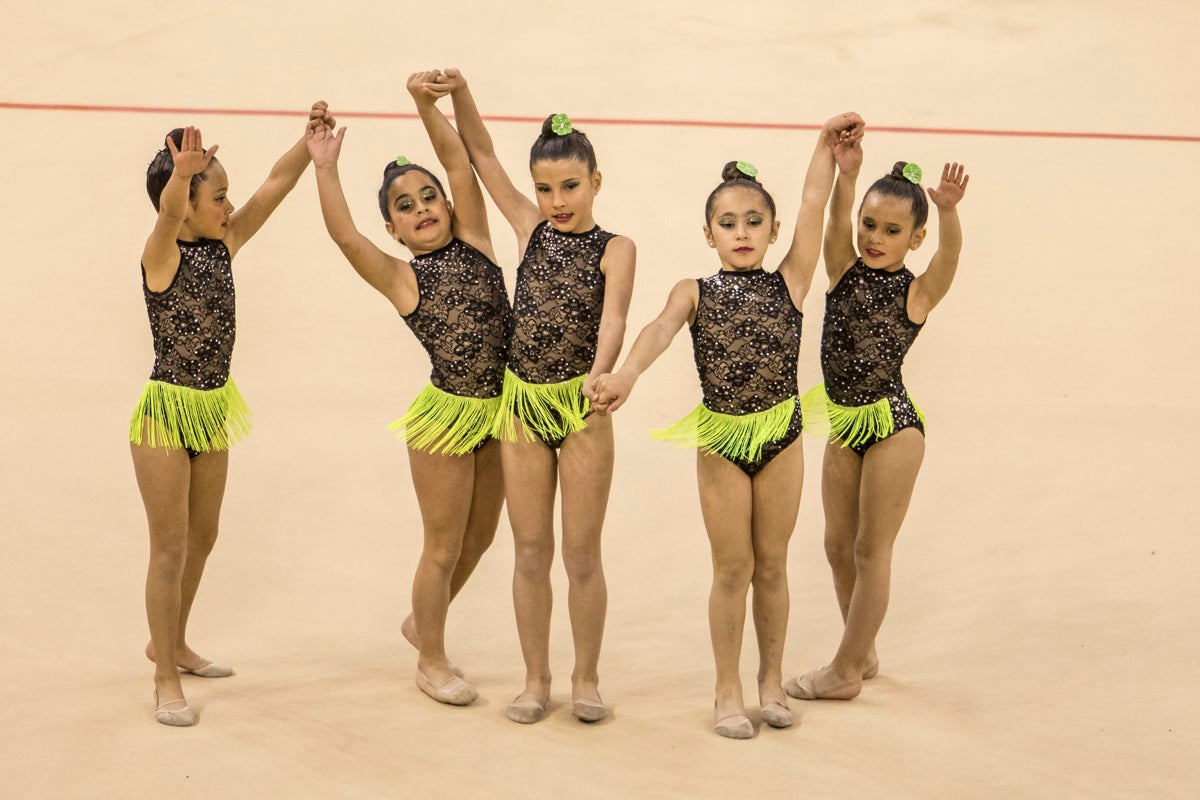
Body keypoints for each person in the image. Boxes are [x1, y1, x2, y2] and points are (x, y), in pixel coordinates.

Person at [590, 113, 865, 738]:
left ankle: (770, 682)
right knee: (731, 568)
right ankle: (727, 689)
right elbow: (658, 329)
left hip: (781, 435)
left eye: (753, 222)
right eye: (727, 223)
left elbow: (814, 203)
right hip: (722, 440)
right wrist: (627, 375)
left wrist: (824, 147)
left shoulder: (791, 280)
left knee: (773, 564)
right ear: (708, 233)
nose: (741, 232)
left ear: (770, 231)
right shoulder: (694, 289)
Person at [434, 68, 636, 724]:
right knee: (529, 550)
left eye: (570, 185)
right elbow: (483, 155)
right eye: (545, 187)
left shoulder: (616, 248)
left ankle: (585, 677)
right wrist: (459, 92)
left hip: (580, 410)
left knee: (580, 554)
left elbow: (614, 319)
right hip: (522, 407)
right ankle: (534, 679)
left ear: (595, 182)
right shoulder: (530, 226)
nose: (555, 199)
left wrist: (601, 373)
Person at [305, 73, 511, 708]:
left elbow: (458, 158)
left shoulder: (477, 240)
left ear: (449, 206)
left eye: (429, 198)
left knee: (481, 538)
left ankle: (425, 619)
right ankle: (431, 657)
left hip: (501, 410)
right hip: (445, 419)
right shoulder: (402, 279)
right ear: (393, 229)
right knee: (443, 544)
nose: (422, 207)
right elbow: (345, 237)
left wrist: (426, 104)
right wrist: (325, 168)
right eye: (404, 205)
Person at [134, 103, 334, 726]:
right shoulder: (161, 255)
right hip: (167, 416)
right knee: (168, 548)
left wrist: (308, 144)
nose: (228, 205)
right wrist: (179, 179)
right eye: (216, 196)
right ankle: (165, 673)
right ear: (184, 203)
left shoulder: (225, 243)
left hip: (213, 412)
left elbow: (275, 186)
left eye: (226, 195)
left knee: (205, 536)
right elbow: (168, 213)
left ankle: (174, 641)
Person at [784, 151, 969, 702]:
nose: (875, 237)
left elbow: (951, 257)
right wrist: (846, 175)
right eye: (870, 224)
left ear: (914, 239)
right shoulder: (841, 269)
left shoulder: (916, 292)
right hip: (845, 424)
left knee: (871, 549)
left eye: (892, 230)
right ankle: (859, 651)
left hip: (893, 426)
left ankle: (843, 670)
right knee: (837, 545)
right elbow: (835, 224)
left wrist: (950, 212)